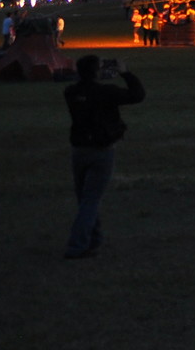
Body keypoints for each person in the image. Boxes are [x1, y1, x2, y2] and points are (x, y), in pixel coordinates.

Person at [62, 54, 145, 258]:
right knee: (91, 200)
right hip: (101, 150)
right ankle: (77, 246)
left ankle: (93, 240)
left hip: (79, 149)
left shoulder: (71, 92)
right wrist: (125, 73)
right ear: (97, 71)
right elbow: (138, 95)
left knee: (85, 199)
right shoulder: (106, 92)